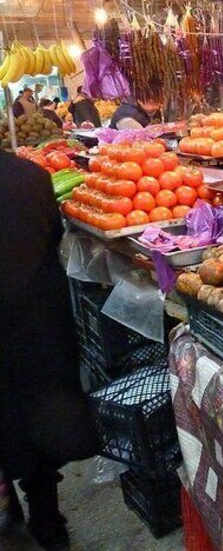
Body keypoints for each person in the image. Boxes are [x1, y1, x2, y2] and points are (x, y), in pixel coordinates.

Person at [0, 149, 99, 550]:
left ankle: (11, 515)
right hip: (36, 324)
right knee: (43, 421)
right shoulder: (31, 176)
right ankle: (47, 520)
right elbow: (53, 237)